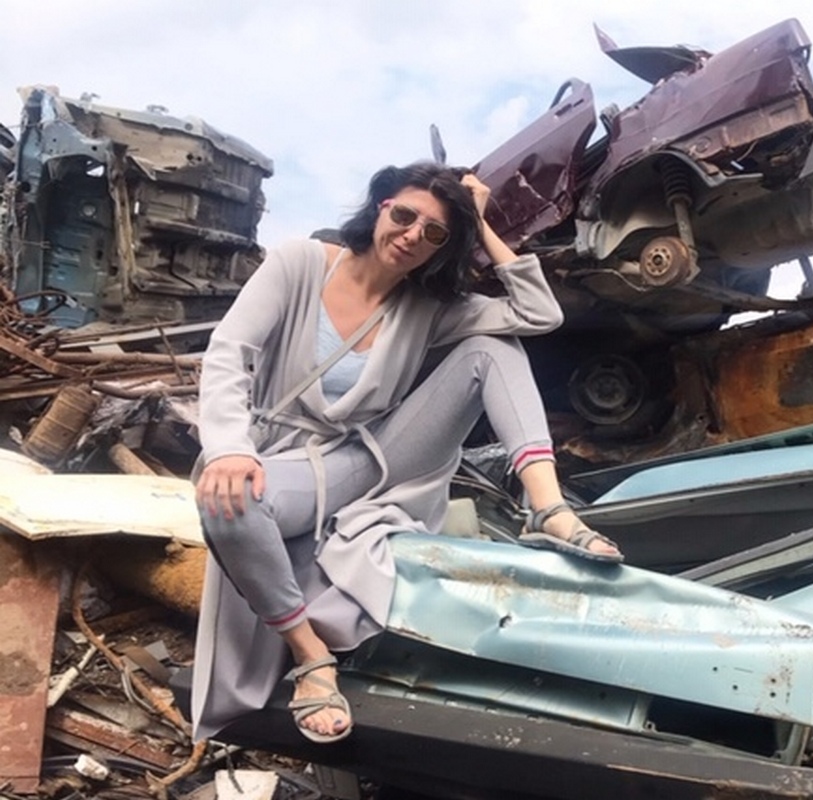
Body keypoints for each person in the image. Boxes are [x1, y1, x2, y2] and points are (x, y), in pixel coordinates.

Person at [190, 162, 622, 745]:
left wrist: (481, 223)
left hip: (369, 459)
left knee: (494, 348)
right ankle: (310, 654)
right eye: (405, 215)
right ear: (381, 207)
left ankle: (548, 509)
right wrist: (227, 449)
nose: (413, 235)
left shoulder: (427, 306)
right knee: (230, 502)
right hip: (284, 462)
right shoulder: (299, 263)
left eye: (435, 232)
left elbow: (538, 314)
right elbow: (228, 351)